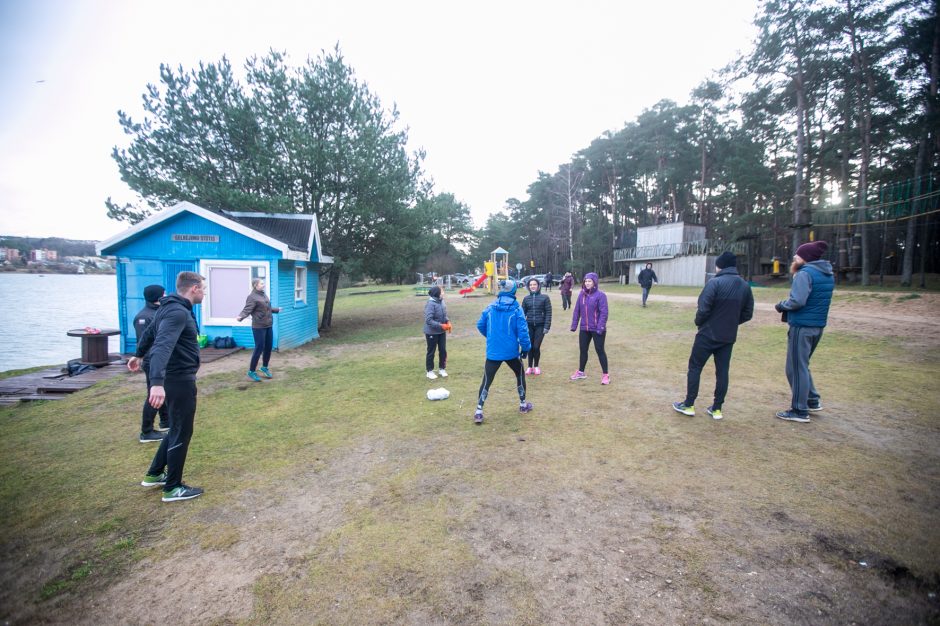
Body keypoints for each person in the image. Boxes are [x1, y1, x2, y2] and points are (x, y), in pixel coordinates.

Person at [128, 271, 206, 502]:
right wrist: (157, 384)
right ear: (194, 289)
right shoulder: (177, 312)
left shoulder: (167, 307)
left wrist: (138, 354)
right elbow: (162, 344)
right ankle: (173, 487)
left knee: (176, 428)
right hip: (178, 379)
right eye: (203, 288)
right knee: (182, 430)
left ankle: (154, 474)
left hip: (176, 378)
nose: (204, 293)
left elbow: (151, 333)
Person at [672, 252, 754, 420]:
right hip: (728, 336)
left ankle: (689, 404)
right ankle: (717, 408)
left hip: (707, 334)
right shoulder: (745, 286)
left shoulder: (714, 283)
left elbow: (703, 308)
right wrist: (731, 323)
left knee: (695, 367)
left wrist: (699, 322)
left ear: (720, 266)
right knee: (722, 371)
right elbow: (747, 313)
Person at [774, 241, 834, 423]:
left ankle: (799, 410)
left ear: (805, 258)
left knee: (794, 368)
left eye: (797, 255)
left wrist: (781, 305)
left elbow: (797, 301)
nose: (794, 257)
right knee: (802, 364)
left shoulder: (804, 274)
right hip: (817, 326)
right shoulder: (827, 274)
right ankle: (812, 400)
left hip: (802, 326)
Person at [474, 279, 532, 424]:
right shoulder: (517, 309)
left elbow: (480, 325)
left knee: (487, 380)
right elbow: (523, 332)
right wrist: (526, 349)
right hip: (511, 352)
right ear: (513, 291)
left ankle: (479, 411)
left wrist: (492, 337)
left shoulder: (490, 307)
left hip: (494, 351)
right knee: (519, 374)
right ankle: (523, 404)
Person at [134, 284, 169, 443]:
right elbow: (145, 342)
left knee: (163, 390)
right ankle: (146, 431)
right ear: (158, 296)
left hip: (160, 360)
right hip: (152, 361)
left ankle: (165, 421)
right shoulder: (144, 317)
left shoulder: (158, 312)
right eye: (164, 293)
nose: (166, 295)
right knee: (154, 394)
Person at [236, 278, 281, 382]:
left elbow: (267, 308)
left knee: (268, 347)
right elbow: (247, 309)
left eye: (263, 283)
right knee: (259, 348)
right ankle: (251, 371)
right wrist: (241, 316)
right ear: (255, 285)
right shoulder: (252, 297)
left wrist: (277, 309)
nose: (263, 285)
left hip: (268, 325)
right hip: (259, 327)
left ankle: (264, 367)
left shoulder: (263, 295)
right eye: (261, 283)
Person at [569, 272, 610, 385]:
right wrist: (574, 325)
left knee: (600, 350)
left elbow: (604, 313)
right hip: (584, 328)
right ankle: (581, 372)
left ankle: (605, 375)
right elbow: (577, 310)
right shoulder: (581, 294)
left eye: (589, 281)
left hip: (597, 329)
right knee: (583, 350)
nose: (587, 283)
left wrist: (600, 327)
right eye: (586, 281)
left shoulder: (601, 295)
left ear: (594, 282)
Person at [522, 277, 553, 375]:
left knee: (536, 347)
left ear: (538, 286)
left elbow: (549, 312)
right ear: (528, 287)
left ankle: (536, 366)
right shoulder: (526, 299)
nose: (532, 286)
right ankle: (529, 367)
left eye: (534, 284)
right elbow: (522, 314)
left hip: (540, 326)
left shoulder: (545, 298)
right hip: (529, 326)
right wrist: (522, 328)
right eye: (531, 285)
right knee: (530, 347)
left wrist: (546, 326)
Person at [424, 285, 450, 379]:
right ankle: (429, 371)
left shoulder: (442, 301)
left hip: (441, 332)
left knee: (443, 350)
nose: (443, 292)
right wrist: (441, 325)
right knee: (431, 351)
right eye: (442, 291)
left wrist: (448, 321)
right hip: (431, 332)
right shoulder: (430, 304)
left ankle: (442, 369)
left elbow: (444, 314)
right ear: (437, 293)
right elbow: (428, 320)